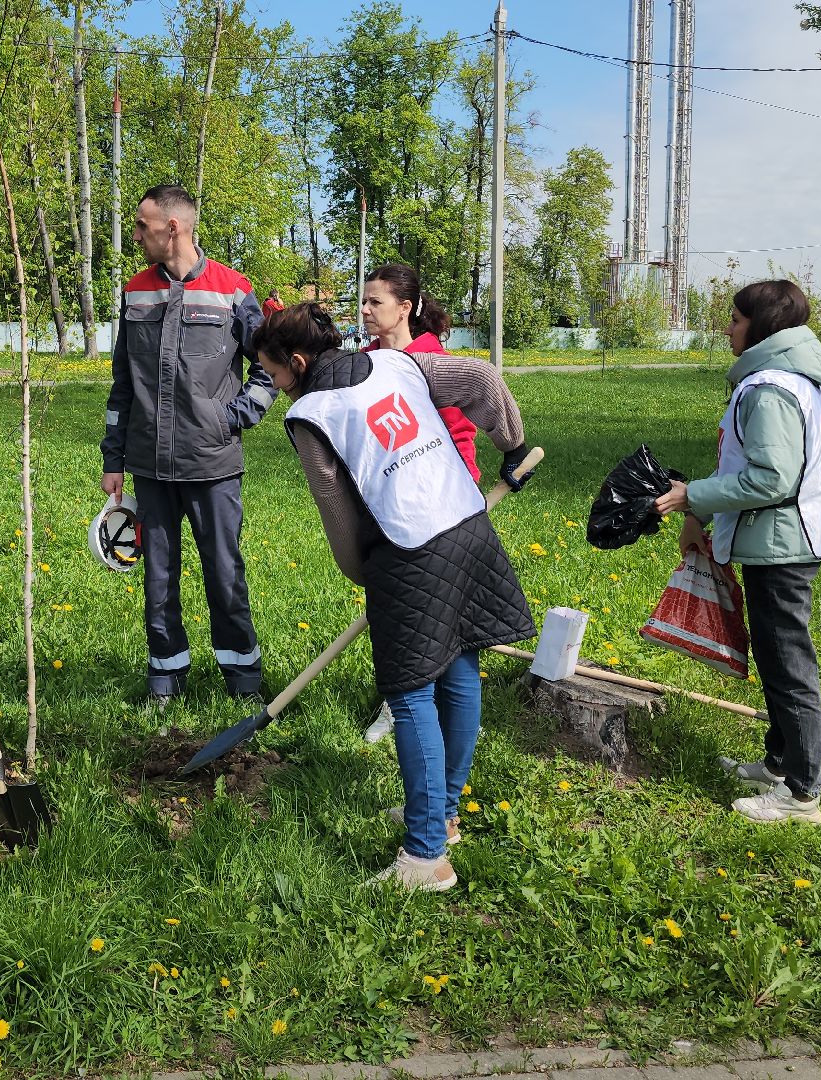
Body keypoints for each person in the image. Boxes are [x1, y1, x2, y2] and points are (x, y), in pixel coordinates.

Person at [255, 303, 538, 891]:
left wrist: (364, 574)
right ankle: (443, 814)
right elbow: (485, 379)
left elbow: (335, 511)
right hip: (468, 524)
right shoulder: (394, 363)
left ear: (299, 362)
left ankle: (425, 856)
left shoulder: (312, 413)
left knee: (410, 697)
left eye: (275, 374)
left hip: (409, 549)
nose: (276, 386)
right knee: (459, 676)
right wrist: (512, 446)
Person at [654, 279, 821, 825]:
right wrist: (699, 515)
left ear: (761, 327)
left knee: (788, 664)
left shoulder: (769, 389)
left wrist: (695, 495)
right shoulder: (787, 380)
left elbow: (771, 479)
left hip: (782, 543)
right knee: (777, 656)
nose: (727, 328)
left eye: (734, 319)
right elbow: (751, 469)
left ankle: (801, 794)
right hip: (778, 538)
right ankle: (780, 765)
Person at [100, 184, 276, 707]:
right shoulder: (136, 291)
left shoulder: (232, 290)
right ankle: (165, 676)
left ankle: (242, 676)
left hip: (213, 463)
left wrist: (235, 417)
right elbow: (122, 383)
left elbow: (270, 364)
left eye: (142, 225)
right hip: (150, 467)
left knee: (224, 573)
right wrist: (114, 458)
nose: (135, 235)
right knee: (158, 575)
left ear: (172, 227)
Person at [362, 263, 480, 482]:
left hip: (431, 486)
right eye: (364, 302)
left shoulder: (435, 365)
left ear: (404, 308)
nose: (365, 309)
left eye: (375, 302)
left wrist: (466, 483)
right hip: (382, 489)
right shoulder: (360, 364)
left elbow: (459, 432)